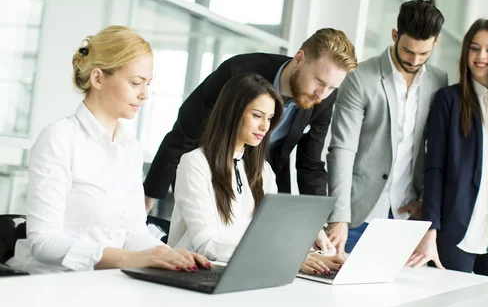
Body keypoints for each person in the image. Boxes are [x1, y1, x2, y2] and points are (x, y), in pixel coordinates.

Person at [7, 26, 210, 274]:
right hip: (54, 284)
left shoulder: (130, 148)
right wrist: (128, 259)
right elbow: (43, 243)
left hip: (108, 282)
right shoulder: (58, 138)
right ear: (98, 78)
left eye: (148, 84)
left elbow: (133, 232)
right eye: (136, 83)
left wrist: (170, 254)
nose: (144, 95)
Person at [143, 28, 358, 252]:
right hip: (211, 172)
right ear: (299, 58)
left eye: (332, 87)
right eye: (319, 81)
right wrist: (147, 201)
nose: (322, 94)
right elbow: (184, 134)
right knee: (207, 240)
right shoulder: (238, 72)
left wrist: (314, 225)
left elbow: (310, 165)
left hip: (262, 176)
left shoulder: (323, 98)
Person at [167, 72, 344, 274]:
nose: (265, 126)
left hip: (247, 272)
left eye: (269, 118)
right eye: (257, 115)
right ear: (232, 112)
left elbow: (269, 236)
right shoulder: (195, 163)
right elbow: (206, 244)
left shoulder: (263, 170)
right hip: (196, 274)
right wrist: (279, 258)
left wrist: (305, 253)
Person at [409, 19, 488, 283]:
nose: (481, 56)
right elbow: (435, 168)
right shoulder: (448, 100)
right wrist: (430, 229)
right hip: (456, 231)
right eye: (475, 48)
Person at [326, 0, 448, 254]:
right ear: (395, 35)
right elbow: (342, 148)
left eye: (423, 53)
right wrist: (339, 216)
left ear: (436, 42)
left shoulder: (439, 81)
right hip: (357, 215)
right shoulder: (360, 78)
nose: (414, 60)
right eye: (407, 51)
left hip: (405, 217)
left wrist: (425, 200)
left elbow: (436, 148)